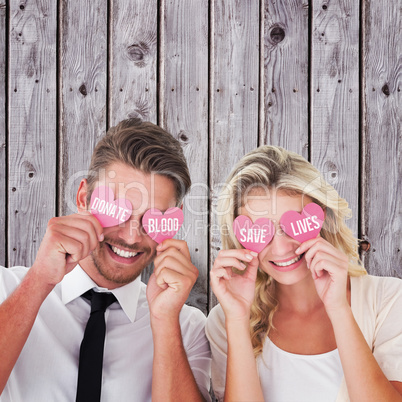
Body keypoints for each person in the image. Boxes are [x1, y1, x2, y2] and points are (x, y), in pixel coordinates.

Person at [0, 118, 211, 401]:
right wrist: (39, 281)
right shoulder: (6, 291)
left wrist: (164, 322)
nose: (133, 237)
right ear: (84, 198)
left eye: (152, 218)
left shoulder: (186, 326)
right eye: (118, 211)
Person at [206, 145, 402, 401]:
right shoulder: (226, 318)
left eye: (292, 224)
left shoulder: (388, 299)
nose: (280, 248)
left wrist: (339, 309)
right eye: (260, 230)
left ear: (323, 220)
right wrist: (238, 319)